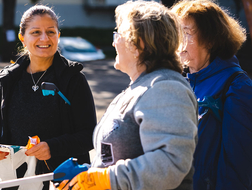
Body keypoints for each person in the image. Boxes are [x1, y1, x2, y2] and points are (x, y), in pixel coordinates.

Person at [57, 1, 198, 189]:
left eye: (118, 35)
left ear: (138, 43)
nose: (113, 42)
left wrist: (106, 179)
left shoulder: (165, 89)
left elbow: (169, 165)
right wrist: (88, 174)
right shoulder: (137, 88)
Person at [0, 5, 97, 190]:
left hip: (61, 181)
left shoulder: (73, 79)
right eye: (35, 32)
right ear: (22, 38)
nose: (44, 38)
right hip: (15, 182)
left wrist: (53, 147)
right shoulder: (7, 79)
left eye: (51, 32)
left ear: (58, 35)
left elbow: (89, 135)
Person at [171, 0, 252, 189]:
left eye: (187, 33)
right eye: (176, 33)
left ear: (211, 39)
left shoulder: (237, 87)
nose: (179, 42)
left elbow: (237, 169)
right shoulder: (182, 82)